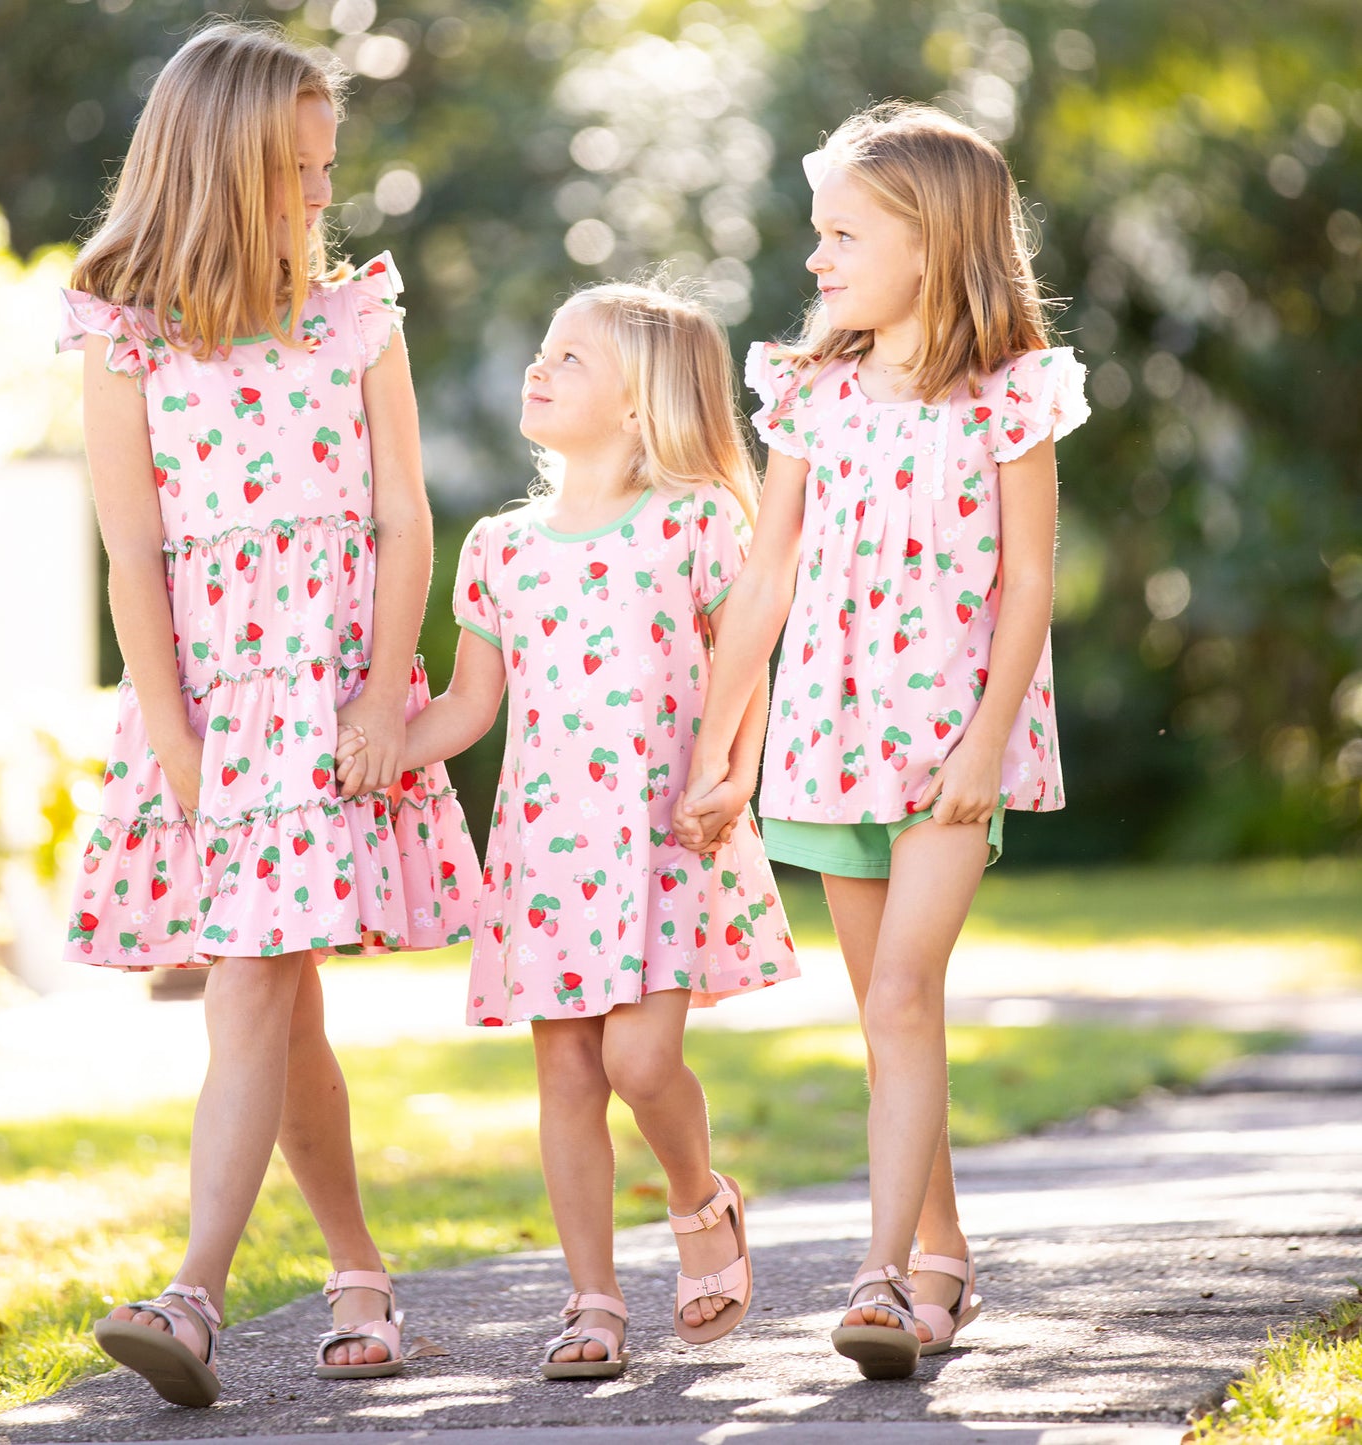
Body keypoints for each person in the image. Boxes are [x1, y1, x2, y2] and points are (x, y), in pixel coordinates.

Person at [56, 21, 480, 1406]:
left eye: (326, 166)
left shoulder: (353, 315)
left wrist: (380, 696)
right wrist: (174, 739)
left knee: (253, 981)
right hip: (212, 710)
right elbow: (131, 553)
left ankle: (193, 1295)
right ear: (222, 170)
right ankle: (358, 1272)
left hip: (332, 697)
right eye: (298, 169)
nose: (320, 192)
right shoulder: (122, 336)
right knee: (278, 1005)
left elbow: (404, 516)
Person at [674, 101, 1090, 1381]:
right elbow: (764, 579)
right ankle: (941, 1254)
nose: (815, 257)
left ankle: (880, 1277)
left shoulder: (1009, 394)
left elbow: (1028, 583)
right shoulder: (810, 393)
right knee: (885, 1016)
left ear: (931, 240)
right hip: (830, 729)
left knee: (903, 995)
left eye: (842, 234)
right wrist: (719, 748)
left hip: (952, 743)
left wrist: (983, 742)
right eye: (819, 234)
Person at [341, 280, 799, 1379]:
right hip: (547, 852)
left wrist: (734, 773)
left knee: (640, 1059)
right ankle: (591, 1298)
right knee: (566, 1077)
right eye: (541, 352)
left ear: (639, 403)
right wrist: (370, 746)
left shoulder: (695, 521)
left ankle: (700, 1201)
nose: (537, 369)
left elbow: (743, 663)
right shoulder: (499, 546)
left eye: (568, 358)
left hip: (661, 840)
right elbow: (468, 707)